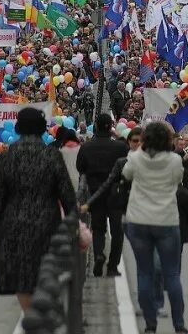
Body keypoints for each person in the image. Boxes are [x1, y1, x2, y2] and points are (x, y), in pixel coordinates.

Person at [0, 107, 76, 312]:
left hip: (13, 223)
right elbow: (66, 193)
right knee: (45, 270)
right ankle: (46, 313)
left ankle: (30, 315)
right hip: (46, 221)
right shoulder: (51, 155)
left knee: (22, 277)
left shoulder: (9, 156)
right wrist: (74, 222)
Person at [122, 121, 187, 334]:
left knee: (144, 273)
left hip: (139, 219)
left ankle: (150, 324)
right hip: (166, 219)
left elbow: (126, 175)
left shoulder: (135, 158)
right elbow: (178, 180)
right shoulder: (175, 161)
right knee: (171, 275)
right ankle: (179, 324)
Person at [76, 113, 129, 277]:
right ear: (111, 126)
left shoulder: (86, 147)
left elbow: (80, 167)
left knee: (98, 228)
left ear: (96, 126)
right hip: (115, 192)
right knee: (117, 231)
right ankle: (112, 266)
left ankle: (99, 254)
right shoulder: (120, 147)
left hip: (95, 192)